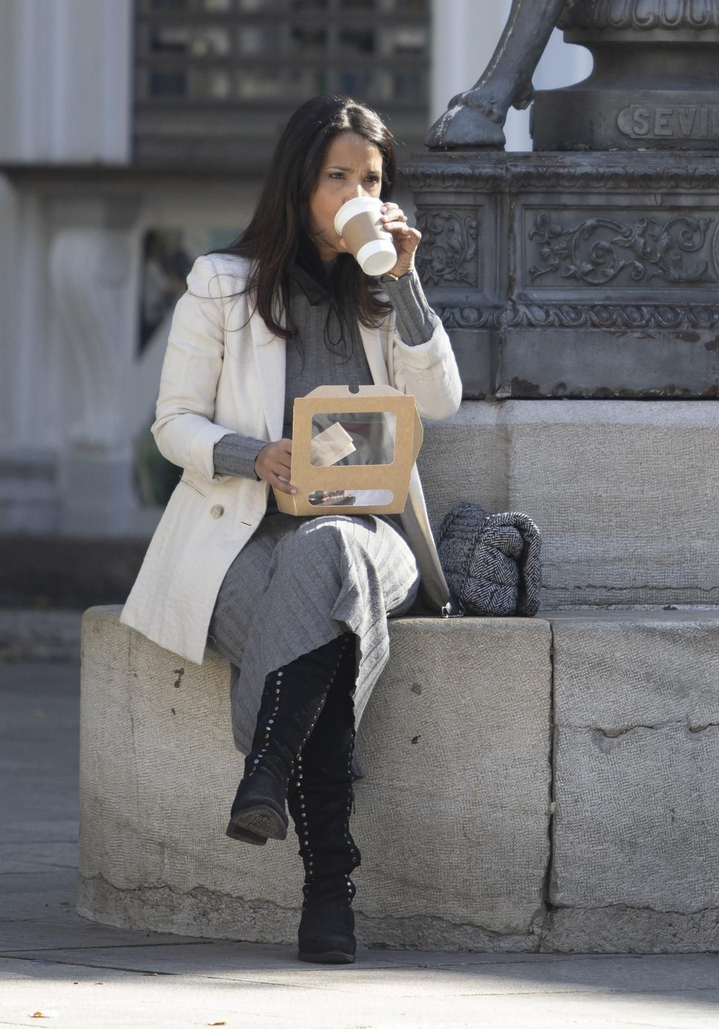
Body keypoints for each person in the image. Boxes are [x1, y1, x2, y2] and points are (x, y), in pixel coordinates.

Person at [120, 95, 461, 964]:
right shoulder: (223, 284)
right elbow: (174, 423)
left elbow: (442, 401)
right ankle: (329, 889)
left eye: (372, 179)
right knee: (326, 633)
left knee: (332, 550)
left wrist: (406, 281)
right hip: (244, 538)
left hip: (371, 536)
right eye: (337, 176)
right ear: (299, 183)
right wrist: (251, 455)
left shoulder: (384, 289)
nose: (356, 192)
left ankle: (266, 773)